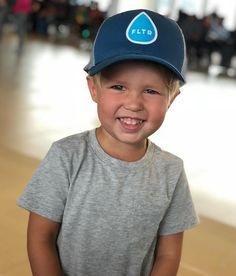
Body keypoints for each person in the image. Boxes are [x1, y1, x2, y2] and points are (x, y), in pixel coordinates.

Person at [18, 9, 199, 276]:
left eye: (151, 91)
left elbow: (168, 254)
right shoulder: (66, 156)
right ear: (93, 88)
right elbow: (40, 239)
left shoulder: (171, 172)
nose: (134, 103)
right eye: (118, 87)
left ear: (171, 98)